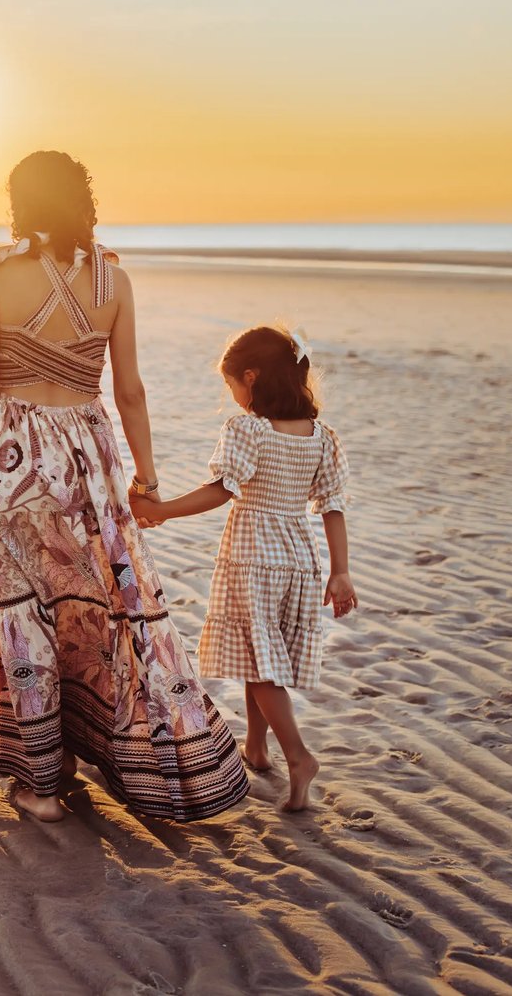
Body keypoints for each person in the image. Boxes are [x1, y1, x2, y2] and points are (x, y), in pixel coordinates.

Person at [0, 150, 248, 823]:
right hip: (87, 453)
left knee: (23, 609)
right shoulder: (115, 278)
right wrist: (148, 475)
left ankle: (44, 781)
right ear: (84, 199)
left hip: (10, 453)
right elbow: (129, 390)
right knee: (95, 604)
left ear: (20, 201)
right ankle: (91, 748)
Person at [130, 325, 354, 811]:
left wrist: (161, 510)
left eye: (230, 383)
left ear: (251, 377)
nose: (230, 395)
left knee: (258, 662)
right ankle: (256, 745)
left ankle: (298, 755)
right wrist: (341, 572)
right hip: (299, 558)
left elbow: (222, 489)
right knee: (262, 651)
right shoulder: (322, 438)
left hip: (253, 556)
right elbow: (332, 506)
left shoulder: (248, 429)